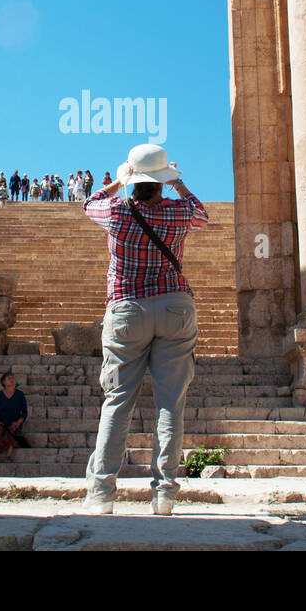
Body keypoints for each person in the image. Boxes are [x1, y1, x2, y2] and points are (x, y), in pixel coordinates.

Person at [80, 144, 208, 516]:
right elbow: (202, 213)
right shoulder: (179, 212)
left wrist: (117, 182)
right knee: (171, 403)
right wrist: (179, 183)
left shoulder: (116, 211)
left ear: (133, 182)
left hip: (127, 309)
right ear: (163, 183)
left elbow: (88, 204)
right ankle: (165, 493)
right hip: (174, 306)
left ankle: (102, 493)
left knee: (117, 399)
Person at [0, 372, 29, 461]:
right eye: (9, 378)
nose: (12, 380)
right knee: (3, 430)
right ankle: (6, 455)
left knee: (10, 430)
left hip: (15, 423)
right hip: (2, 422)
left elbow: (24, 413)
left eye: (13, 378)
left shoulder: (20, 395)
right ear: (3, 382)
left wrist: (18, 423)